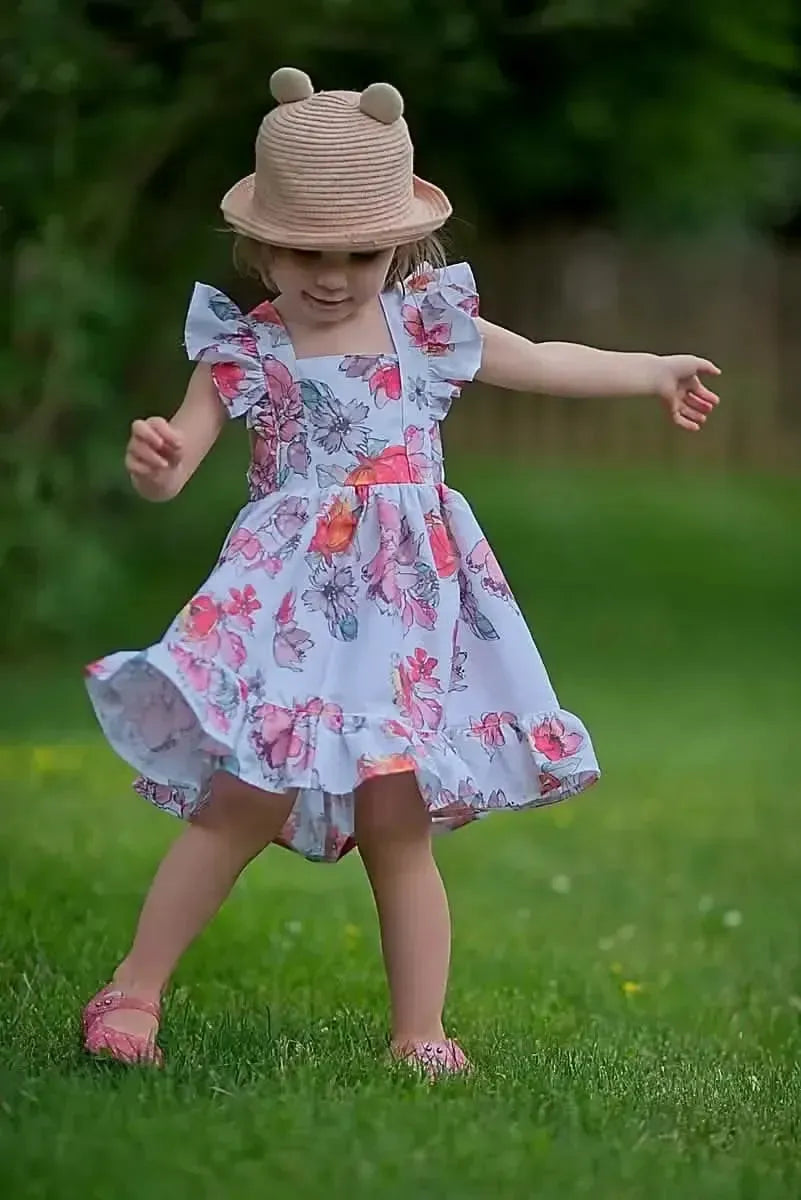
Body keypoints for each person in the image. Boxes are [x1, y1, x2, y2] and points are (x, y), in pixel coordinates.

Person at [82, 68, 720, 1076]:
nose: (333, 275)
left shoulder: (427, 328)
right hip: (290, 609)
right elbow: (182, 462)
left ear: (402, 243)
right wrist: (158, 467)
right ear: (260, 244)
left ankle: (420, 1031)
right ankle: (133, 990)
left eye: (361, 253)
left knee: (398, 816)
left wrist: (650, 371)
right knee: (245, 796)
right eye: (306, 251)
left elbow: (547, 359)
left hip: (405, 612)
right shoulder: (248, 348)